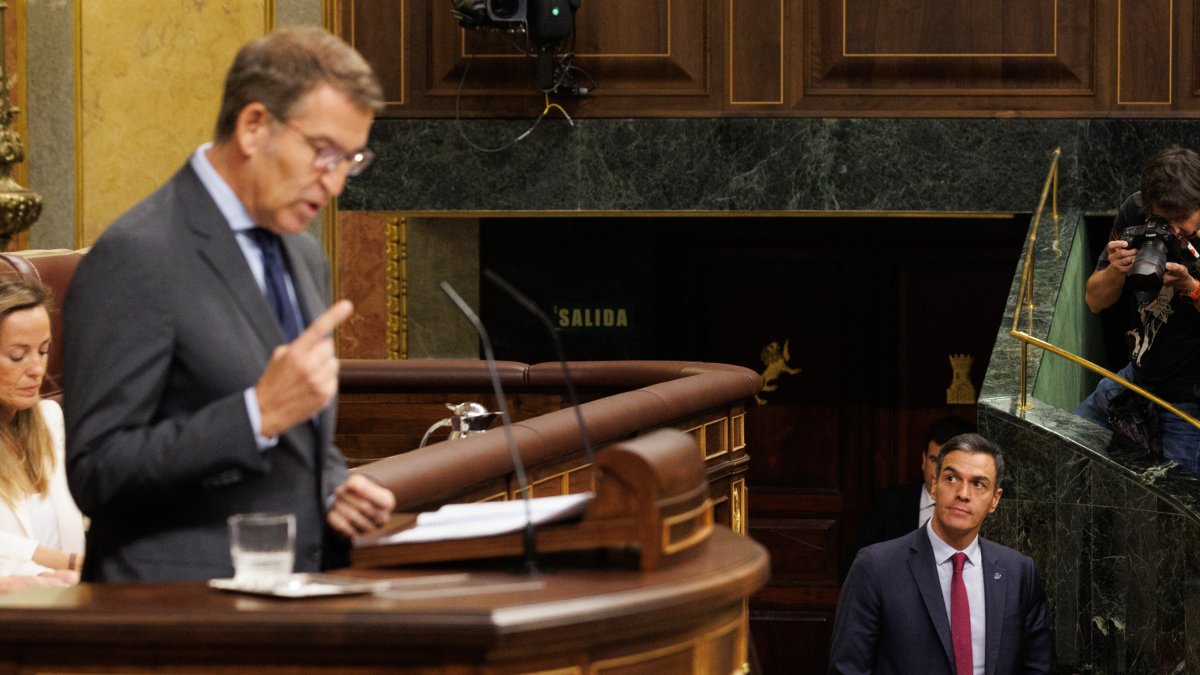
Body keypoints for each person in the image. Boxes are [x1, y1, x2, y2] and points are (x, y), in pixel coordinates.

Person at [62, 26, 396, 582]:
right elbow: (97, 470)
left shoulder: (303, 252)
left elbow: (293, 429)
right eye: (323, 153)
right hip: (179, 619)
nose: (336, 181)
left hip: (299, 600)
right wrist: (254, 415)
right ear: (254, 126)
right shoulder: (138, 254)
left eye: (351, 159)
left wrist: (333, 487)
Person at [829, 434, 1054, 675]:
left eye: (978, 484)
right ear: (934, 484)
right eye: (952, 478)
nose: (963, 493)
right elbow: (848, 669)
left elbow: (1039, 668)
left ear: (995, 500)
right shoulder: (876, 567)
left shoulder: (1018, 572)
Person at [1075, 146, 1200, 475]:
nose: (1172, 230)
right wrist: (1116, 269)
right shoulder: (1137, 210)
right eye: (1164, 220)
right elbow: (1094, 301)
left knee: (1176, 509)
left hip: (1189, 399)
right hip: (1136, 378)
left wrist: (1190, 286)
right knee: (1069, 449)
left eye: (1182, 221)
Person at [0, 279, 85, 583]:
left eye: (43, 351)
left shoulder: (50, 418)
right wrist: (54, 561)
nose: (37, 369)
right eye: (18, 356)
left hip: (75, 602)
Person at [852, 416, 976, 552]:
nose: (940, 472)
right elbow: (860, 563)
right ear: (924, 460)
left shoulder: (981, 507)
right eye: (934, 460)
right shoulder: (889, 504)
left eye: (950, 465)